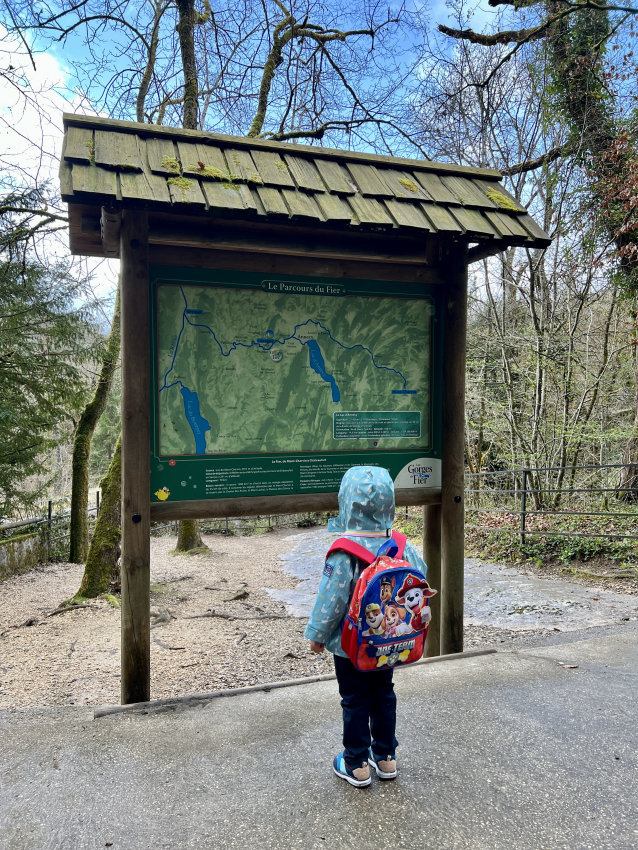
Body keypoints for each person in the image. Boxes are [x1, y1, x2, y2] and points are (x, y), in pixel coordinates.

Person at [304, 466, 429, 788]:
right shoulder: (402, 545)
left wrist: (317, 635)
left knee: (355, 699)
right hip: (389, 643)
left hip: (350, 646)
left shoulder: (344, 551)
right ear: (390, 503)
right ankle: (386, 757)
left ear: (346, 502)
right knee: (384, 694)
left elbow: (330, 598)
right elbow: (421, 575)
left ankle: (356, 762)